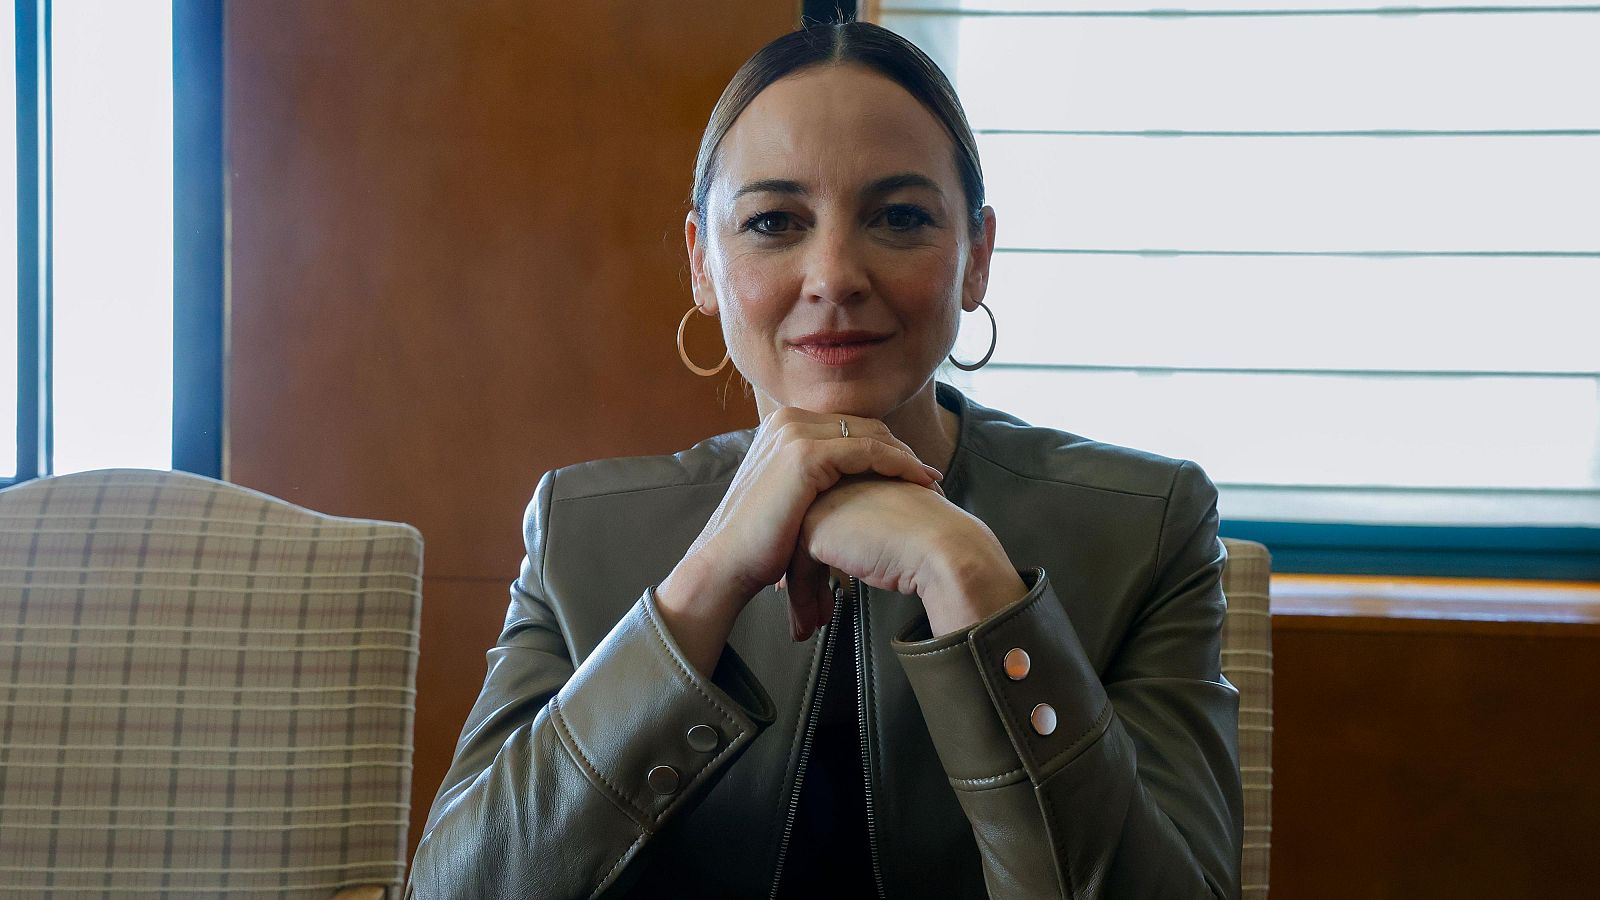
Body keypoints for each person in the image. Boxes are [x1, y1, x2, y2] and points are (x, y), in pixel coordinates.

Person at [408, 20, 1241, 900]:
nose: (835, 273)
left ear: (976, 257)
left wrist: (975, 585)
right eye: (774, 221)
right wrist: (702, 588)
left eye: (902, 216)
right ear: (702, 262)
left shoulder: (1145, 526)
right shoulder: (582, 527)